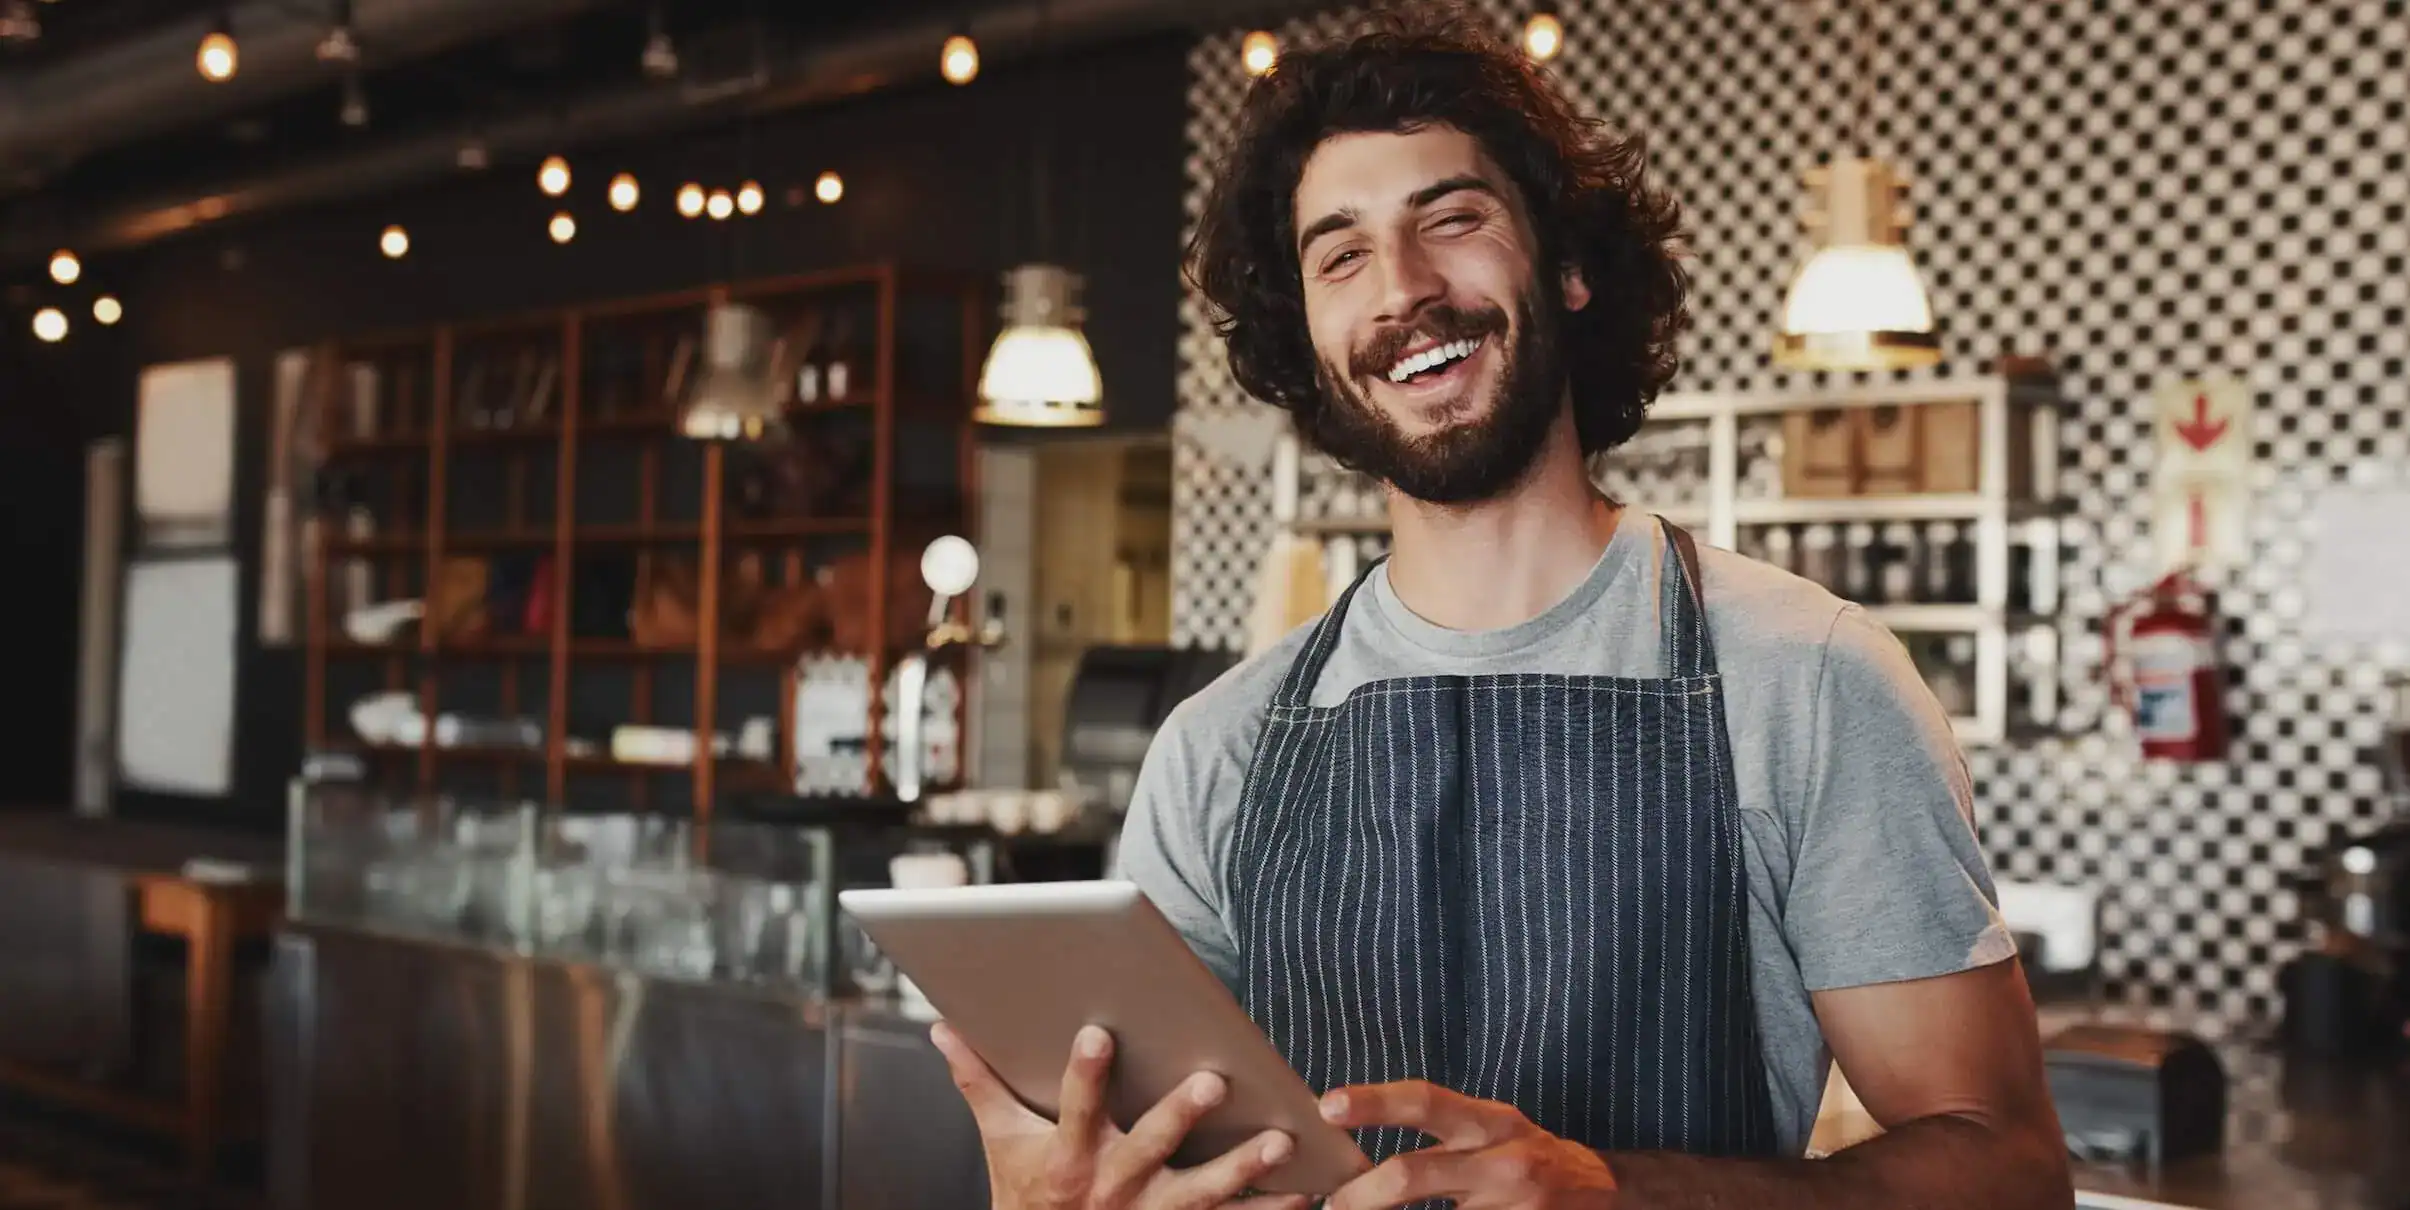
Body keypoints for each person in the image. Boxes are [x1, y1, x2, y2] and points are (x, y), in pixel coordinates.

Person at [931, 7, 2071, 1209]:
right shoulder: (1219, 748)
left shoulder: (1809, 678)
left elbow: (2006, 1166)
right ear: (1309, 342)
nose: (1406, 290)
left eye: (1453, 220)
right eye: (1341, 255)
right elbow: (1171, 1164)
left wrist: (1619, 1193)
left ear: (1567, 267)